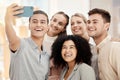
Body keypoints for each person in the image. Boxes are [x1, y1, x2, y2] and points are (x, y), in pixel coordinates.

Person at [5, 3, 49, 80]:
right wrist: (7, 19)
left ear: (47, 28)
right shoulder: (21, 44)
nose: (38, 24)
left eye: (42, 22)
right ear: (29, 26)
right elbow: (11, 39)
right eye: (34, 21)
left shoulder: (46, 56)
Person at [87, 8, 120, 80]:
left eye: (95, 22)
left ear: (106, 26)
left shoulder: (115, 48)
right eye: (88, 22)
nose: (90, 25)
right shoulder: (94, 51)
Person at [42, 11, 69, 80]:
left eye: (60, 24)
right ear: (50, 20)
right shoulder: (37, 37)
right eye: (54, 20)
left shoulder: (65, 44)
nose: (55, 25)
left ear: (64, 28)